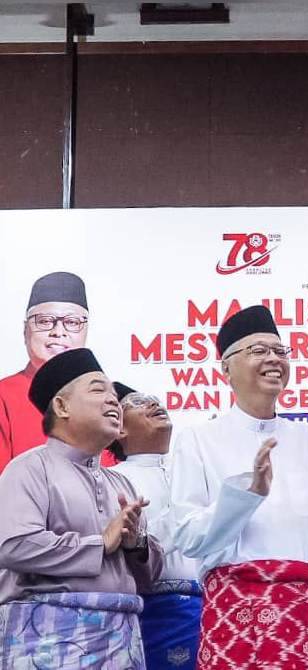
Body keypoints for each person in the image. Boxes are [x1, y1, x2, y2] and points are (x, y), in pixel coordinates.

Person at [170, 305, 308, 669]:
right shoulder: (197, 439)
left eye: (280, 351)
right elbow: (188, 536)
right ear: (226, 368)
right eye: (259, 350)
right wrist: (246, 494)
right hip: (234, 612)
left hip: (301, 613)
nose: (273, 359)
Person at [0, 348, 163, 668]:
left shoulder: (121, 484)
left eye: (115, 395)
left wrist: (136, 545)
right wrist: (100, 543)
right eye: (98, 389)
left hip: (121, 641)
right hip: (47, 641)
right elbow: (13, 545)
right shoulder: (30, 468)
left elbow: (148, 579)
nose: (114, 401)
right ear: (61, 406)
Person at [110, 382, 201, 670]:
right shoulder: (111, 480)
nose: (152, 403)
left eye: (154, 399)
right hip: (149, 608)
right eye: (138, 402)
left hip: (211, 606)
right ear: (120, 429)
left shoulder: (194, 469)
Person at [0, 271, 90, 473]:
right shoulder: (4, 395)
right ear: (25, 331)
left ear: (86, 330)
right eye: (44, 321)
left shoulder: (105, 399)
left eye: (72, 322)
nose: (58, 331)